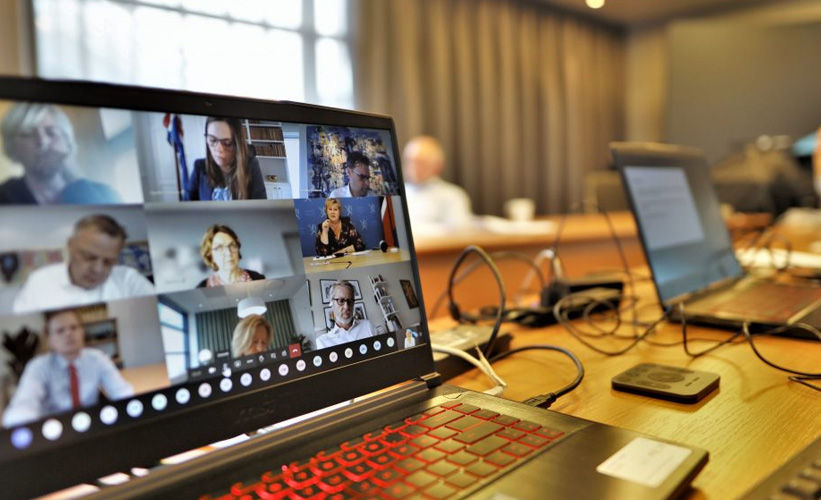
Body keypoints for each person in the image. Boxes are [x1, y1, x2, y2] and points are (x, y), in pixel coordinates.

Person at [2, 308, 135, 427]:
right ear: (50, 339)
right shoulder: (38, 367)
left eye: (74, 327)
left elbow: (121, 391)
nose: (68, 334)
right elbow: (24, 403)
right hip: (55, 430)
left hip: (91, 425)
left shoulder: (97, 358)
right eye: (60, 330)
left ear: (82, 332)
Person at [13, 214, 155, 313]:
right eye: (89, 257)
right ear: (70, 245)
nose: (98, 269)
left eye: (109, 262)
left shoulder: (128, 280)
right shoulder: (39, 281)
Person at [0, 102, 121, 204]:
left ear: (67, 143)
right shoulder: (4, 195)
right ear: (12, 146)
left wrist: (74, 176)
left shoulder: (104, 194)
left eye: (51, 132)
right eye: (29, 134)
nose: (43, 142)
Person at [402, 135, 474, 232]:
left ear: (438, 165)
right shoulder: (398, 193)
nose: (413, 167)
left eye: (421, 162)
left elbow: (459, 232)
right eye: (409, 161)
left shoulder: (453, 195)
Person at [186, 117, 266, 201]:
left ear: (237, 143)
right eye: (212, 140)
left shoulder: (251, 165)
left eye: (227, 143)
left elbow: (260, 208)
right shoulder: (199, 167)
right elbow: (187, 207)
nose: (219, 149)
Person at [198, 224, 265, 288]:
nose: (228, 253)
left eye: (232, 245)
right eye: (220, 248)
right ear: (210, 255)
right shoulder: (202, 289)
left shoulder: (258, 279)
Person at [315, 280, 376, 349]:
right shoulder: (323, 343)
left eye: (350, 301)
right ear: (332, 303)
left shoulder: (368, 326)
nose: (346, 307)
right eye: (341, 301)